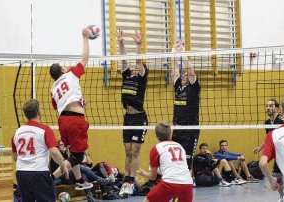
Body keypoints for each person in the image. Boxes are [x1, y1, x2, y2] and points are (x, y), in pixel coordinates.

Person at [49, 27, 93, 190]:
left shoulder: (53, 89)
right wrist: (85, 38)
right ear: (62, 70)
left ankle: (80, 181)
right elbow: (85, 58)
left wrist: (79, 101)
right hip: (75, 121)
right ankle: (50, 177)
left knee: (74, 152)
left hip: (63, 121)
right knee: (78, 156)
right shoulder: (71, 74)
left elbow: (59, 106)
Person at [11, 99, 69, 202]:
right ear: (39, 112)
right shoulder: (45, 130)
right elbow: (55, 152)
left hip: (21, 173)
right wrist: (63, 165)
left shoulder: (17, 132)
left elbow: (15, 157)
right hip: (39, 173)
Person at [115, 29, 149, 197]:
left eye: (138, 67)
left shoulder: (141, 78)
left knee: (135, 151)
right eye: (134, 67)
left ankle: (130, 181)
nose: (135, 68)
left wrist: (138, 45)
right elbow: (123, 60)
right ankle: (126, 181)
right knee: (127, 150)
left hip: (139, 117)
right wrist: (121, 42)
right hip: (128, 117)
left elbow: (139, 60)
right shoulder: (127, 75)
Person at [137, 121, 193, 202]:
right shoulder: (179, 146)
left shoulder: (156, 148)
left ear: (156, 134)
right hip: (187, 184)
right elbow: (174, 171)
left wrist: (145, 174)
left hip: (169, 184)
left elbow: (153, 177)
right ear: (170, 133)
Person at [170, 39, 201, 171]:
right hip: (177, 129)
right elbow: (174, 67)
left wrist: (182, 52)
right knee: (175, 160)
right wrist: (173, 51)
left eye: (187, 76)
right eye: (183, 75)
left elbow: (189, 68)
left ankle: (186, 185)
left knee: (187, 162)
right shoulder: (178, 86)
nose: (184, 76)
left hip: (190, 129)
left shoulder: (194, 88)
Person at [51, 141, 116, 201]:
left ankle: (90, 197)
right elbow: (56, 171)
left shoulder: (69, 154)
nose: (63, 146)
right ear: (58, 147)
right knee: (80, 166)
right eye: (61, 145)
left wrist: (86, 154)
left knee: (83, 175)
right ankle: (100, 180)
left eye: (63, 144)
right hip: (65, 177)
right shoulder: (56, 157)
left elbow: (90, 164)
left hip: (75, 176)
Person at [253, 99, 284, 201]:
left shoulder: (282, 120)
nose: (268, 108)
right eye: (267, 106)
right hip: (278, 155)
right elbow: (268, 137)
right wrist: (261, 147)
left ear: (276, 108)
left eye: (270, 106)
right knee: (278, 177)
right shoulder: (267, 123)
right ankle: (283, 197)